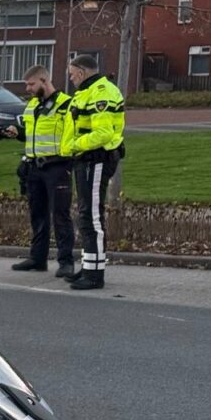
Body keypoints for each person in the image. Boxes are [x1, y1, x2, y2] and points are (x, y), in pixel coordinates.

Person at [63, 56, 126, 291]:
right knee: (85, 215)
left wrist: (75, 146)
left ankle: (95, 274)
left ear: (81, 71)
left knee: (92, 217)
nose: (70, 77)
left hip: (95, 159)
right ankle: (90, 266)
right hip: (86, 160)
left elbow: (103, 133)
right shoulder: (86, 92)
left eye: (72, 73)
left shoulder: (101, 92)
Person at [11, 64, 75, 277]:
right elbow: (33, 135)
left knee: (61, 215)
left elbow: (70, 136)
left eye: (31, 84)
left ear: (44, 81)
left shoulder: (66, 104)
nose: (27, 88)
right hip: (34, 167)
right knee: (37, 214)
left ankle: (66, 262)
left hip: (57, 166)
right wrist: (17, 133)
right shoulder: (32, 106)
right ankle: (37, 258)